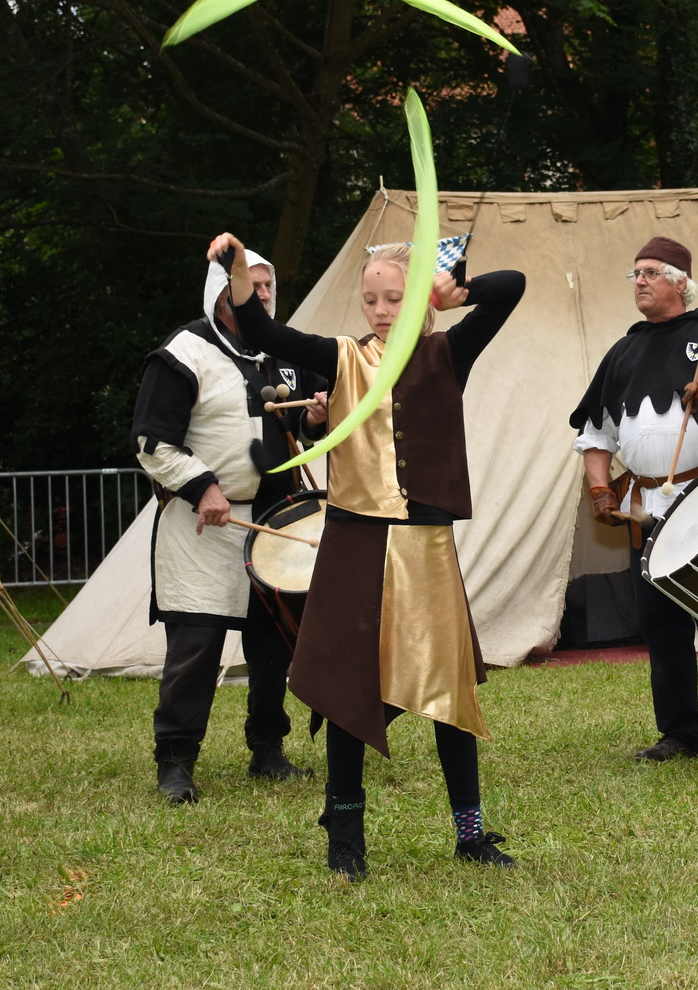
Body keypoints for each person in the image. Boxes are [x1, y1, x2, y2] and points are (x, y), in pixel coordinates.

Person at [209, 231, 524, 877]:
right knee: (349, 692)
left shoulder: (447, 351)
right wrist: (238, 271)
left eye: (395, 298)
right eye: (372, 298)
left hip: (426, 545)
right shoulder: (343, 357)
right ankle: (345, 836)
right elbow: (265, 332)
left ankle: (470, 835)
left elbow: (511, 288)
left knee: (451, 693)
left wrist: (453, 292)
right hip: (356, 546)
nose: (381, 310)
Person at [570, 236, 698, 770]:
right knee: (660, 624)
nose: (639, 280)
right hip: (646, 507)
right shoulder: (624, 351)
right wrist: (600, 489)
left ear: (681, 283)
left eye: (651, 272)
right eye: (635, 273)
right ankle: (680, 732)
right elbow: (595, 434)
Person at [131, 248, 320, 804]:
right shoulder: (182, 354)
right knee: (196, 646)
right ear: (220, 292)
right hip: (203, 526)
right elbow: (151, 441)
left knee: (274, 646)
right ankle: (176, 761)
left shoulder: (284, 350)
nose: (260, 294)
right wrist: (202, 486)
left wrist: (315, 418)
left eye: (266, 285)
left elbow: (304, 428)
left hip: (275, 521)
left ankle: (267, 749)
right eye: (247, 285)